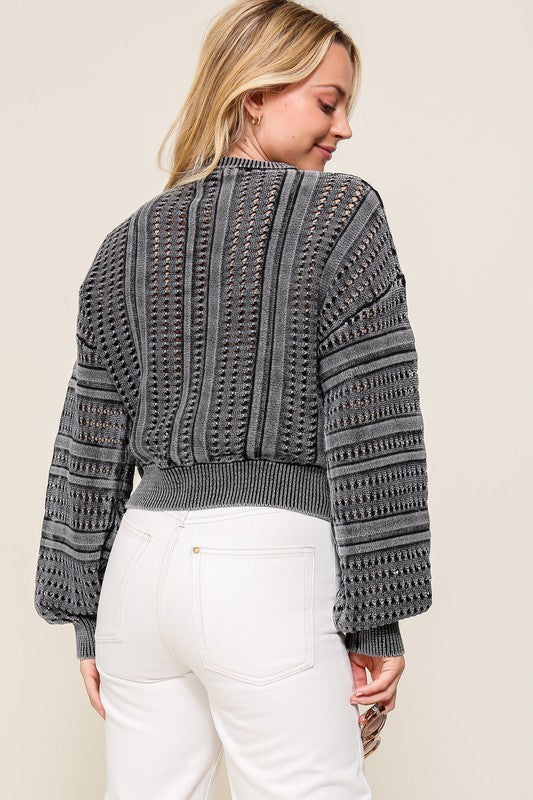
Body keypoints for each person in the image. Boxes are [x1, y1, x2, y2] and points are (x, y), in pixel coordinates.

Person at [34, 1, 432, 797]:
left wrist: (88, 622)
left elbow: (89, 439)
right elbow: (373, 419)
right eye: (327, 102)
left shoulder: (128, 239)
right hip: (265, 568)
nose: (344, 128)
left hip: (139, 575)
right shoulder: (341, 213)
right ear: (254, 96)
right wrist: (378, 617)